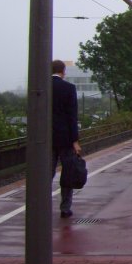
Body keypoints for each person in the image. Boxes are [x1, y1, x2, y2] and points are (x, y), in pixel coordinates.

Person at [51, 60, 81, 218]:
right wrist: (75, 140)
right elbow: (72, 116)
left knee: (46, 174)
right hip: (65, 138)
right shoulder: (69, 88)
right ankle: (65, 208)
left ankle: (41, 206)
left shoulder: (42, 87)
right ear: (63, 71)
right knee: (67, 173)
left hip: (46, 139)